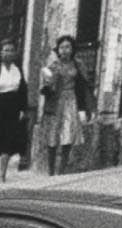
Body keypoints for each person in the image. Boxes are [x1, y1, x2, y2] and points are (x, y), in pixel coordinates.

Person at [35, 34, 94, 175]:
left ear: (72, 49)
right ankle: (51, 170)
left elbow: (84, 84)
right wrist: (48, 81)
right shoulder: (54, 64)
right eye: (62, 47)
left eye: (68, 47)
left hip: (71, 100)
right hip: (56, 101)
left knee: (68, 133)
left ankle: (62, 169)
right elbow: (46, 84)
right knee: (53, 134)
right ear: (58, 49)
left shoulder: (78, 64)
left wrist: (87, 106)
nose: (64, 50)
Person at [0, 38, 31, 181]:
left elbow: (23, 91)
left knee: (8, 142)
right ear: (0, 52)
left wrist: (23, 109)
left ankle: (2, 175)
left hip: (13, 108)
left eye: (11, 50)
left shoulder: (18, 69)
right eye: (5, 50)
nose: (8, 53)